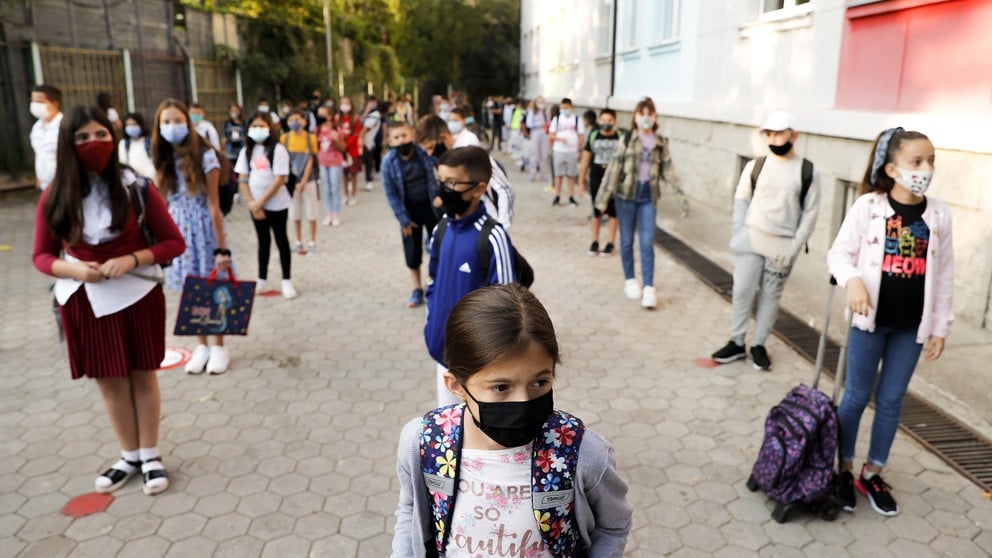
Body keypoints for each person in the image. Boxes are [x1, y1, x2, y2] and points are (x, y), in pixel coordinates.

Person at [392, 284, 633, 557]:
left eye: (539, 382)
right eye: (501, 387)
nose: (523, 402)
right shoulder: (424, 444)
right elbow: (410, 510)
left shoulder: (582, 453)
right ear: (456, 386)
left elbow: (614, 525)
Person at [33, 105, 185, 496]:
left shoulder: (135, 186)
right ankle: (129, 455)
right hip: (84, 299)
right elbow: (41, 256)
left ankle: (151, 455)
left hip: (137, 293)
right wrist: (76, 271)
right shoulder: (54, 195)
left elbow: (173, 242)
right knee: (110, 382)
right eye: (82, 137)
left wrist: (132, 258)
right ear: (68, 143)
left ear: (112, 137)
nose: (93, 144)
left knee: (142, 375)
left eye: (100, 135)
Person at [827, 128, 952, 517]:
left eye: (931, 161)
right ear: (893, 168)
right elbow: (839, 253)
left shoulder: (939, 215)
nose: (926, 169)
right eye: (917, 162)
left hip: (910, 329)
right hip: (869, 323)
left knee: (892, 400)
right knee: (855, 397)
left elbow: (945, 274)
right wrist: (852, 281)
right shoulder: (869, 206)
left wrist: (939, 327)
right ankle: (843, 468)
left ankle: (873, 471)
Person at [711, 111, 820, 370]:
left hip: (782, 246)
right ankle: (736, 342)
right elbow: (741, 198)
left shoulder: (807, 171)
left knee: (771, 297)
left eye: (779, 133)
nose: (773, 138)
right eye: (769, 133)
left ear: (794, 136)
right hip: (751, 239)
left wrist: (793, 249)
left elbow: (810, 214)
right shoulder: (756, 166)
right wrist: (739, 230)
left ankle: (758, 344)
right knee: (742, 291)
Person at [424, 147, 519, 407]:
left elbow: (507, 305)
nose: (445, 190)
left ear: (479, 189)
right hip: (442, 358)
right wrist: (431, 324)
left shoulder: (492, 236)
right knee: (449, 430)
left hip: (477, 366)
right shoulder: (441, 229)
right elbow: (433, 281)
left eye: (453, 183)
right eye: (441, 181)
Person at [151, 99, 233, 374]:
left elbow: (213, 205)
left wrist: (222, 249)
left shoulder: (206, 156)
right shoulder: (164, 157)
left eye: (177, 120)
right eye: (166, 122)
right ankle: (202, 345)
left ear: (188, 122)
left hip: (204, 230)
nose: (172, 127)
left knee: (213, 289)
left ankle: (219, 346)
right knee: (192, 290)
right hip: (178, 232)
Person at [595, 97, 681, 310]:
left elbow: (669, 171)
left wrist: (681, 198)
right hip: (625, 197)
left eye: (650, 114)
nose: (646, 118)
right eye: (642, 113)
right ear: (635, 117)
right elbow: (614, 170)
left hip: (647, 197)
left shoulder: (660, 143)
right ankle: (630, 280)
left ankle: (649, 288)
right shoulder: (626, 140)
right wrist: (603, 199)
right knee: (626, 241)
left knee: (646, 242)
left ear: (655, 117)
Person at [235, 113, 296, 299]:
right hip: (256, 205)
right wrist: (253, 204)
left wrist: (261, 202)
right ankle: (262, 279)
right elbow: (243, 179)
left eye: (262, 126)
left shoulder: (277, 150)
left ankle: (286, 280)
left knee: (281, 240)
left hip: (277, 204)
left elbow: (279, 179)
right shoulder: (246, 151)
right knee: (263, 242)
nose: (258, 130)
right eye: (254, 126)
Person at [381, 121, 441, 308]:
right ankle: (417, 289)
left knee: (438, 247)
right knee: (412, 253)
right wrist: (403, 219)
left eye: (404, 136)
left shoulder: (424, 153)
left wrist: (441, 197)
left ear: (412, 136)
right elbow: (391, 193)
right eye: (396, 137)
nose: (401, 140)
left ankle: (436, 284)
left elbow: (440, 170)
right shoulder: (388, 163)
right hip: (409, 214)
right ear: (390, 141)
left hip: (432, 208)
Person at [579, 108, 621, 256]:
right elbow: (585, 159)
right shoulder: (593, 136)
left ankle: (610, 242)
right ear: (599, 121)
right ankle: (595, 241)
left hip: (615, 181)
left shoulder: (620, 137)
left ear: (614, 121)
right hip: (596, 179)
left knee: (613, 212)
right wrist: (581, 181)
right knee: (596, 211)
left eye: (609, 120)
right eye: (603, 120)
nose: (606, 123)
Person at [280, 110, 321, 255]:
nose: (294, 123)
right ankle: (297, 241)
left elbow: (311, 160)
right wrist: (293, 181)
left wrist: (303, 181)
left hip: (308, 181)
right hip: (292, 182)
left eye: (297, 119)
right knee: (295, 213)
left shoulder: (310, 139)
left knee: (312, 212)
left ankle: (312, 242)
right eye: (291, 120)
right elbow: (283, 161)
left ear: (304, 121)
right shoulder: (284, 139)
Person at [315, 104, 346, 227]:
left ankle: (335, 213)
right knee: (326, 189)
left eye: (323, 114)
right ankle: (328, 213)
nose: (320, 117)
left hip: (335, 162)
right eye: (319, 115)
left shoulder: (336, 130)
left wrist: (336, 139)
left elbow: (343, 147)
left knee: (334, 188)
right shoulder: (316, 130)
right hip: (322, 163)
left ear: (329, 116)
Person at [549, 98, 584, 207]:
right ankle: (557, 195)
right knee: (558, 174)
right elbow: (551, 134)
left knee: (571, 175)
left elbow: (581, 135)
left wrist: (579, 149)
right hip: (559, 150)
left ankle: (571, 196)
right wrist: (559, 139)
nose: (564, 110)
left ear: (571, 107)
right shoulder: (557, 119)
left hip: (572, 151)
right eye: (562, 108)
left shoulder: (577, 120)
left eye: (566, 108)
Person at [30, 84, 64, 190]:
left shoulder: (64, 126)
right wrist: (38, 179)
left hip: (63, 184)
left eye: (40, 102)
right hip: (45, 185)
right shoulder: (37, 127)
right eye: (33, 101)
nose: (35, 105)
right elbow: (38, 154)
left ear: (55, 104)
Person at [221, 104, 247, 215]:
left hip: (242, 150)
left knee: (243, 173)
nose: (234, 112)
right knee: (233, 174)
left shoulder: (244, 123)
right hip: (231, 151)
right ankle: (235, 194)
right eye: (232, 110)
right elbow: (224, 136)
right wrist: (224, 140)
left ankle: (245, 194)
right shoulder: (227, 123)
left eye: (236, 110)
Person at [339, 97, 363, 205]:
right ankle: (345, 194)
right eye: (342, 103)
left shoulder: (355, 118)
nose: (345, 105)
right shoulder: (337, 118)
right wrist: (341, 145)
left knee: (353, 173)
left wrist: (347, 144)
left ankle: (353, 195)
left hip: (352, 150)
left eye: (347, 103)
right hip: (341, 150)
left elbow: (356, 134)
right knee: (344, 174)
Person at [118, 112, 157, 180]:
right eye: (128, 125)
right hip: (134, 181)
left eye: (134, 124)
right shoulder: (123, 144)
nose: (131, 128)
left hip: (151, 180)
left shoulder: (150, 142)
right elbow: (123, 164)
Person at [525, 97, 549, 182]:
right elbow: (529, 124)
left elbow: (548, 122)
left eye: (542, 101)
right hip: (535, 132)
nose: (541, 103)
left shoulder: (545, 112)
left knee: (544, 154)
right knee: (534, 154)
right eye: (539, 102)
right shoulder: (532, 112)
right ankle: (533, 174)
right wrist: (539, 124)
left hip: (544, 133)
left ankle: (543, 174)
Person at [361, 96, 382, 191]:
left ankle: (369, 180)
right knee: (362, 161)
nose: (372, 104)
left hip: (372, 140)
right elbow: (361, 124)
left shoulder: (376, 114)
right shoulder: (363, 112)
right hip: (363, 140)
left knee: (369, 160)